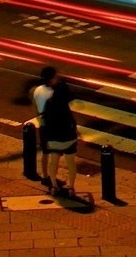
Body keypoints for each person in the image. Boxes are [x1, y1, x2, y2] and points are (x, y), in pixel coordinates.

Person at [37, 69, 80, 197]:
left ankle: (54, 186)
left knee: (53, 161)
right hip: (68, 138)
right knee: (71, 162)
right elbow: (72, 121)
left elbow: (46, 119)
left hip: (54, 138)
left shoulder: (49, 104)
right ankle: (71, 187)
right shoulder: (65, 107)